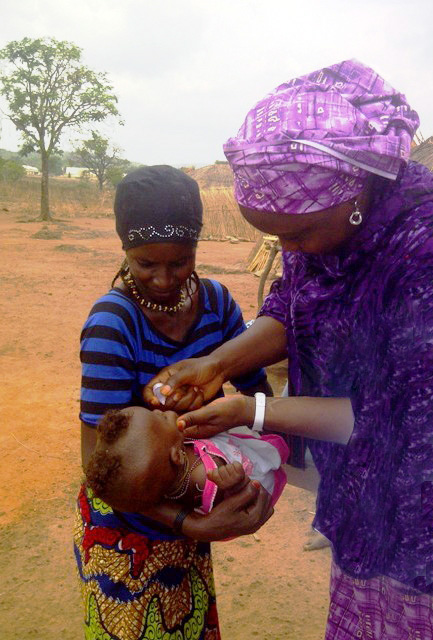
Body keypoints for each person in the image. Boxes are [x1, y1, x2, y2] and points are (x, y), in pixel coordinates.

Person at [144, 60, 433, 639]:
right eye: (275, 237)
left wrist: (251, 410)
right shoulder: (326, 232)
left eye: (296, 236)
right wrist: (217, 363)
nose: (287, 250)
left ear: (355, 192)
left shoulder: (420, 254)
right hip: (367, 508)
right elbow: (289, 305)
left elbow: (390, 417)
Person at [74, 165, 273, 640]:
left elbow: (257, 392)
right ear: (125, 249)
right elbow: (96, 466)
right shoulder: (112, 323)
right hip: (128, 532)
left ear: (195, 249)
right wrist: (190, 524)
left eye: (180, 261)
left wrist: (257, 471)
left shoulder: (218, 305)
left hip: (194, 512)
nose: (163, 279)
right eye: (146, 264)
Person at [84, 405, 288, 515]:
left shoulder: (166, 472)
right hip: (254, 473)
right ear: (176, 455)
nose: (159, 410)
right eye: (162, 419)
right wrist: (235, 485)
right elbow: (242, 503)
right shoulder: (205, 479)